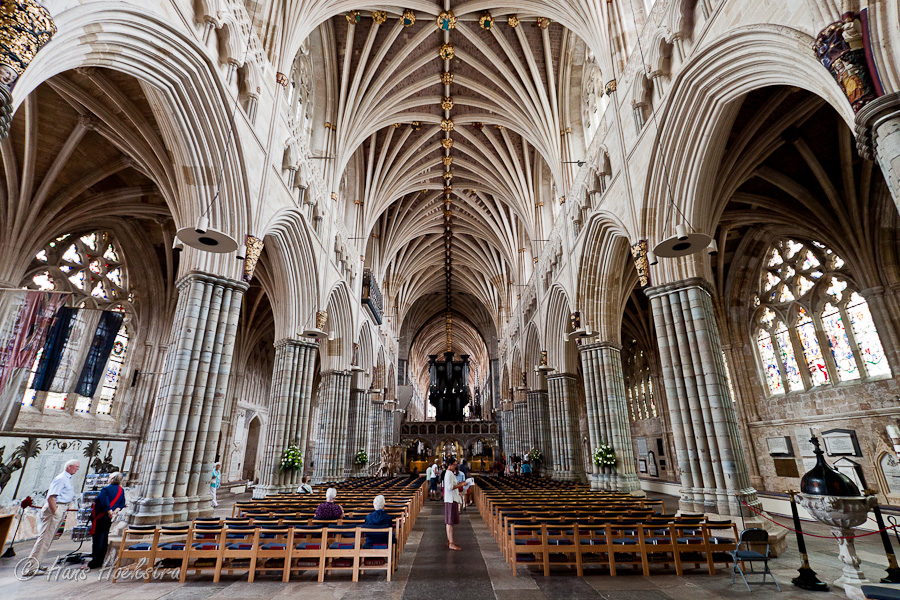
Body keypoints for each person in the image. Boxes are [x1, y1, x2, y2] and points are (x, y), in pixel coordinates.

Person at [25, 459, 80, 574]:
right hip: (55, 508)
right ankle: (31, 568)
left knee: (48, 539)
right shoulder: (61, 479)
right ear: (69, 467)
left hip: (61, 507)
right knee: (44, 538)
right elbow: (51, 497)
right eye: (76, 466)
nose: (78, 469)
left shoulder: (67, 478)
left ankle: (37, 563)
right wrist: (56, 512)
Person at [85, 471, 126, 569]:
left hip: (101, 516)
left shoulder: (105, 489)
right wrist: (115, 511)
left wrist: (109, 511)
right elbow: (122, 503)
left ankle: (96, 561)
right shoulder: (121, 490)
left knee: (98, 539)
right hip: (108, 518)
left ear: (111, 479)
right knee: (104, 538)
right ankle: (101, 559)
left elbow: (104, 502)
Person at [443, 458, 465, 551]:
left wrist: (461, 483)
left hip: (452, 499)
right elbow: (449, 487)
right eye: (455, 464)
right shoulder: (448, 474)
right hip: (450, 500)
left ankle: (450, 540)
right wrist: (460, 485)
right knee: (449, 522)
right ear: (450, 465)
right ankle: (451, 543)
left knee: (450, 521)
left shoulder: (450, 474)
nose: (456, 466)